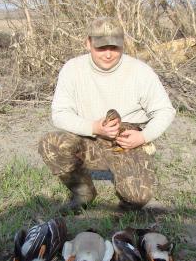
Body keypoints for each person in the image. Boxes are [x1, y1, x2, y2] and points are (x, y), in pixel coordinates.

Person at [38, 17, 176, 212]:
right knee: (50, 143)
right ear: (88, 43)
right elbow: (59, 114)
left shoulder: (141, 71)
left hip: (125, 142)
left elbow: (165, 110)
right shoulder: (72, 69)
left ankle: (127, 202)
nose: (108, 54)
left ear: (123, 44)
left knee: (137, 198)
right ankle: (83, 192)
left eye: (114, 47)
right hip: (89, 136)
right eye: (101, 48)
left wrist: (143, 137)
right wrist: (94, 127)